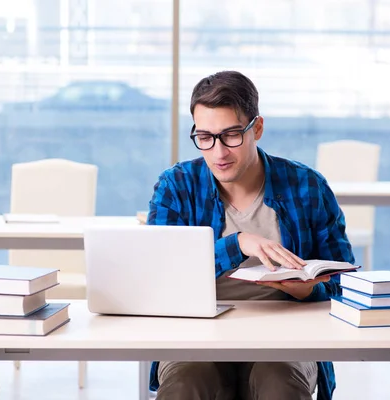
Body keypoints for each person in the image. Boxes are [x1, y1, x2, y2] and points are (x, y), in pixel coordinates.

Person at [146, 70, 355, 400]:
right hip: (196, 336)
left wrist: (304, 292)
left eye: (231, 135)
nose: (219, 153)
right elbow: (158, 278)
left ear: (256, 128)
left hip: (285, 336)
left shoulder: (307, 185)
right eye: (205, 137)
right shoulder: (177, 186)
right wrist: (237, 243)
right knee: (184, 386)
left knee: (280, 386)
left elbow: (345, 281)